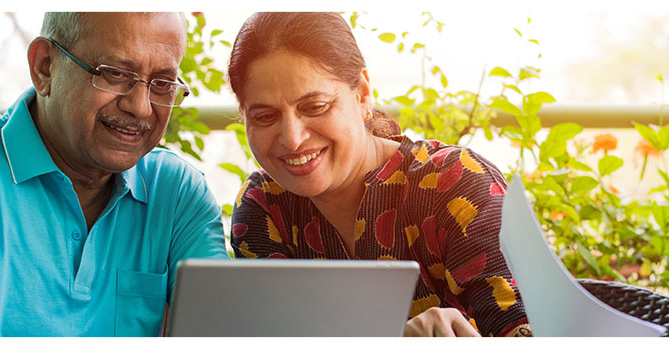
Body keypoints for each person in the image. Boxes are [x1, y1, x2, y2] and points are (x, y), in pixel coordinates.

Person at [0, 12, 228, 337]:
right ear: (44, 66)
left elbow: (224, 331)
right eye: (114, 74)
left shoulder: (177, 194)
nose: (140, 106)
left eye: (162, 84)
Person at [226, 12, 530, 337]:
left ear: (362, 94)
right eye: (265, 116)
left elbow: (522, 332)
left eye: (315, 107)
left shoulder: (456, 183)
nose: (293, 138)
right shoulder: (264, 204)